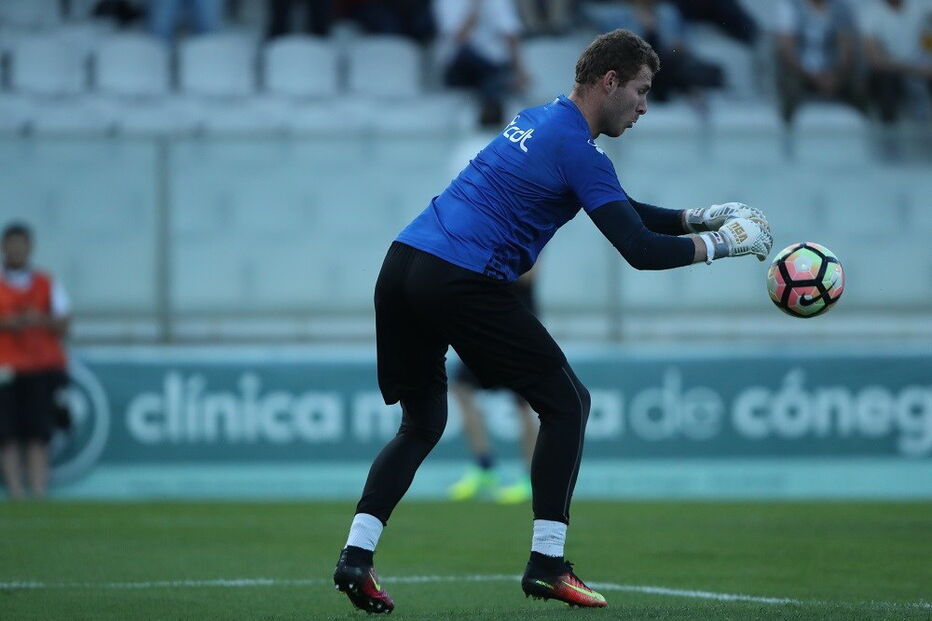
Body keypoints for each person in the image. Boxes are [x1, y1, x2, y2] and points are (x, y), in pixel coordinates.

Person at [332, 28, 772, 613]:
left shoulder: (540, 119)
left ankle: (355, 558)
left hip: (403, 264)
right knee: (568, 404)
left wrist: (699, 216)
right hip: (460, 275)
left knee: (422, 423)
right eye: (641, 91)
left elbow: (618, 207)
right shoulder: (578, 149)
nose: (645, 106)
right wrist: (724, 244)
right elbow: (637, 248)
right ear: (608, 81)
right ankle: (546, 564)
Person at [447, 268, 539, 504]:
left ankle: (531, 477)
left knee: (524, 401)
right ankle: (484, 465)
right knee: (461, 388)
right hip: (488, 323)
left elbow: (528, 274)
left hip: (519, 326)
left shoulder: (529, 231)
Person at [0, 223, 71, 500]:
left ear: (30, 247)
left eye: (22, 244)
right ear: (4, 247)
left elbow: (64, 323)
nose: (17, 249)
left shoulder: (46, 282)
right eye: (12, 243)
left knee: (38, 432)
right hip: (5, 367)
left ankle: (39, 491)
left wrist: (39, 319)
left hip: (40, 367)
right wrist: (10, 323)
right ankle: (16, 492)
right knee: (7, 433)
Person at [433, 0, 531, 127]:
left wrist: (519, 71)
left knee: (494, 69)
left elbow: (510, 34)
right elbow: (460, 36)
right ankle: (493, 108)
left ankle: (491, 110)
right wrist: (475, 6)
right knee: (472, 57)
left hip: (491, 63)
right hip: (459, 66)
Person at [774, 0, 866, 125]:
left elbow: (846, 49)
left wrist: (834, 75)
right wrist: (814, 77)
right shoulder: (790, 6)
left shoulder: (840, 8)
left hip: (833, 71)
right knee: (790, 87)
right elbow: (786, 50)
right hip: (801, 71)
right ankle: (788, 133)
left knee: (859, 87)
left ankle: (866, 132)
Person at [861, 0, 932, 125]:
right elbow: (875, 60)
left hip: (921, 70)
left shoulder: (921, 8)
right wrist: (916, 69)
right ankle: (888, 136)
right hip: (892, 72)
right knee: (886, 81)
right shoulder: (871, 13)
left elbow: (927, 40)